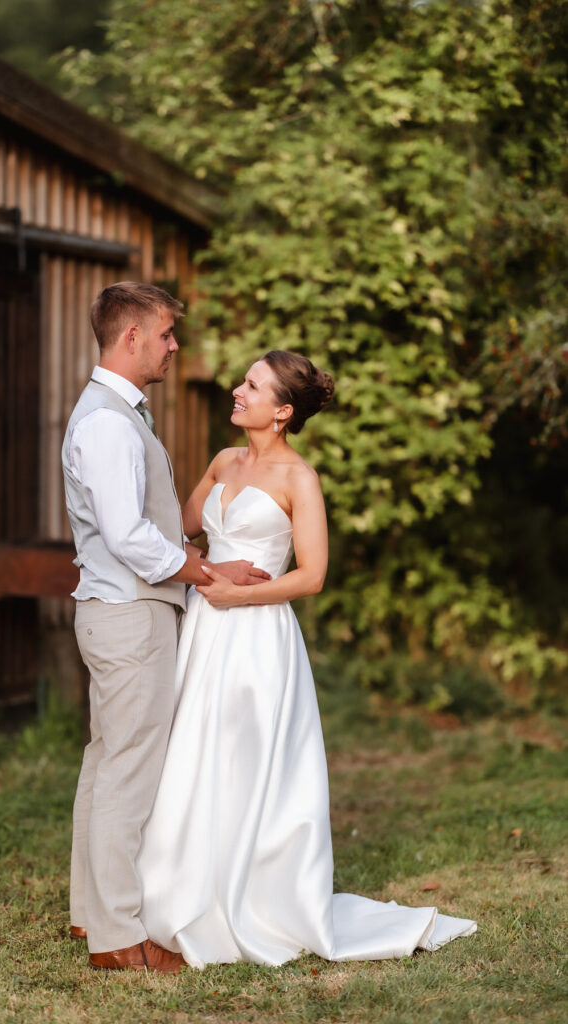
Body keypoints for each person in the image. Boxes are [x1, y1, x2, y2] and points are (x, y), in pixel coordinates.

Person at [138, 350, 477, 967]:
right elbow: (179, 533)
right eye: (243, 381)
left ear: (283, 411)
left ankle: (254, 896)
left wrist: (240, 594)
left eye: (252, 386)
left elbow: (313, 576)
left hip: (257, 637)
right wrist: (206, 571)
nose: (238, 391)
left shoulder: (300, 478)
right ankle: (183, 886)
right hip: (204, 633)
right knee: (193, 754)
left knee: (248, 759)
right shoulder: (222, 461)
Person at [61, 282, 269, 974]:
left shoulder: (119, 417)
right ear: (130, 338)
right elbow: (128, 536)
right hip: (129, 614)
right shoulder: (107, 423)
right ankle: (119, 939)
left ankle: (90, 915)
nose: (174, 346)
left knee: (106, 761)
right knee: (129, 770)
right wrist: (207, 571)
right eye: (166, 334)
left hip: (119, 611)